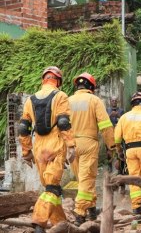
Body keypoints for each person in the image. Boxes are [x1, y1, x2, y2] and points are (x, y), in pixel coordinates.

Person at [18, 66, 76, 233]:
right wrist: (71, 145)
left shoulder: (30, 100)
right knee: (51, 187)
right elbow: (63, 123)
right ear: (57, 81)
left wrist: (26, 151)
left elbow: (23, 127)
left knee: (52, 188)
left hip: (39, 147)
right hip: (55, 145)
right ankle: (39, 222)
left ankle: (60, 223)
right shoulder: (61, 96)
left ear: (44, 79)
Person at [69, 72, 116, 226]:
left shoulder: (67, 101)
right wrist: (112, 146)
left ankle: (91, 209)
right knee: (86, 179)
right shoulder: (94, 100)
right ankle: (79, 214)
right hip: (88, 144)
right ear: (91, 87)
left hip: (71, 145)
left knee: (83, 179)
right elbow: (106, 125)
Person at [106, 96, 126, 194]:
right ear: (110, 101)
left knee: (119, 152)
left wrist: (118, 115)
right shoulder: (107, 110)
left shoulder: (121, 110)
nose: (114, 102)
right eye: (112, 101)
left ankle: (120, 168)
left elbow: (124, 121)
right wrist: (110, 115)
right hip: (110, 133)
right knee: (109, 151)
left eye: (115, 101)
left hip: (119, 133)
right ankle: (109, 165)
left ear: (117, 102)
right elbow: (104, 121)